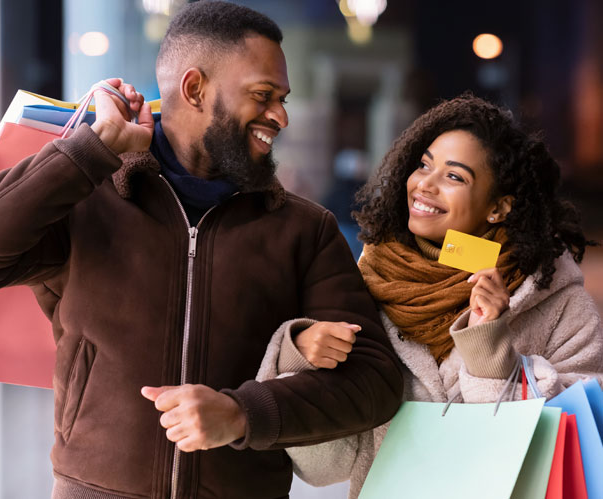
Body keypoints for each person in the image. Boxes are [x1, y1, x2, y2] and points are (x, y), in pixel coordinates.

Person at [0, 2, 404, 498]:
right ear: (195, 88)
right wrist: (90, 150)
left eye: (282, 98)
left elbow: (374, 381)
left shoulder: (304, 229)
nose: (279, 116)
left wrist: (242, 414)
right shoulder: (89, 199)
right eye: (263, 96)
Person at [257, 93, 603, 499]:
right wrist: (303, 358)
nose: (425, 184)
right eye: (424, 165)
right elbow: (322, 467)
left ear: (498, 207)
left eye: (455, 177)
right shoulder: (368, 281)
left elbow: (578, 440)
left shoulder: (556, 298)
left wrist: (492, 355)